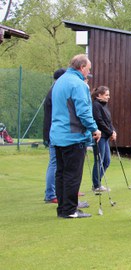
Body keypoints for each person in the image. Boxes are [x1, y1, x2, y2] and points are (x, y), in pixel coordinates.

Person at [50, 54, 101, 218]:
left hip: (57, 134)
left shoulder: (60, 82)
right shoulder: (78, 84)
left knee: (61, 173)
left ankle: (63, 209)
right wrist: (94, 129)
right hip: (72, 135)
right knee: (72, 174)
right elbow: (84, 111)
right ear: (82, 67)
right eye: (88, 69)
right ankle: (71, 210)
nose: (89, 72)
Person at [43, 68, 65, 204]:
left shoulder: (53, 90)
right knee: (54, 163)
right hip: (53, 132)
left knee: (57, 163)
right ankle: (50, 194)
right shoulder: (55, 91)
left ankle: (59, 191)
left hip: (52, 131)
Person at [91, 86, 117, 193]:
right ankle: (96, 185)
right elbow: (99, 121)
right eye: (106, 95)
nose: (108, 97)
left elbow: (108, 121)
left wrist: (113, 131)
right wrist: (110, 132)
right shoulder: (96, 105)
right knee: (99, 160)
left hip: (106, 136)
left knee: (107, 161)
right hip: (99, 136)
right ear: (99, 95)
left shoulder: (104, 105)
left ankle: (97, 182)